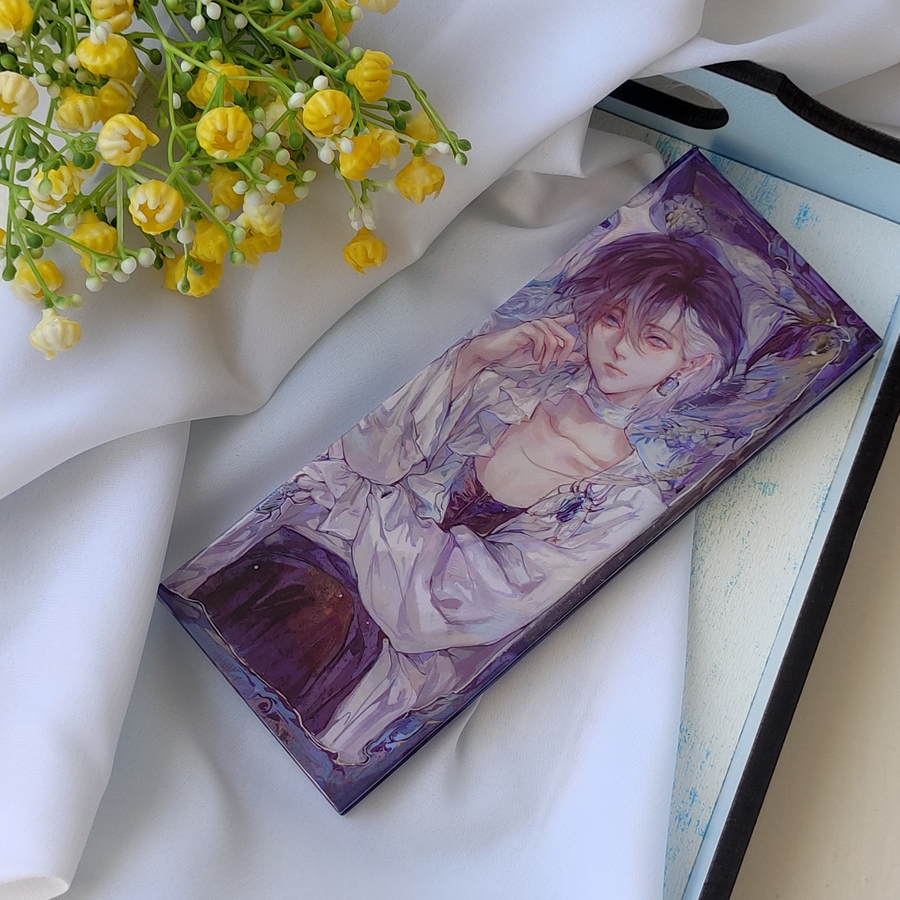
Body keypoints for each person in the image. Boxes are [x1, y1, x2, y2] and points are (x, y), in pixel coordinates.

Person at [181, 232, 746, 765]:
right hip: (290, 557)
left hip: (369, 648)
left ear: (691, 362)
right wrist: (473, 358)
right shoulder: (512, 382)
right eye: (612, 318)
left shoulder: (625, 502)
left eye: (653, 339)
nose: (619, 347)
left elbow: (457, 608)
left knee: (307, 621)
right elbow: (368, 451)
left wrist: (368, 504)